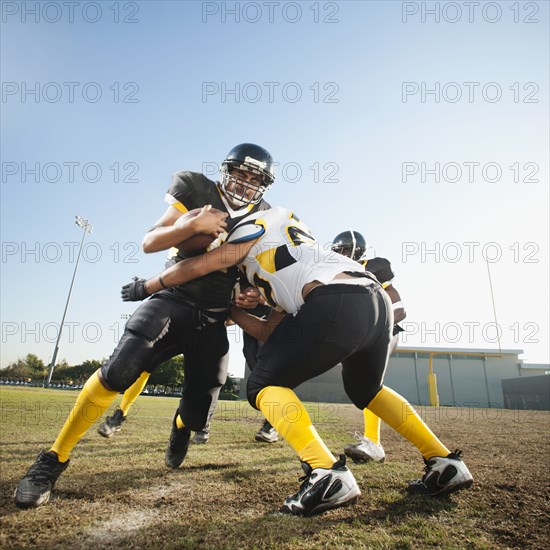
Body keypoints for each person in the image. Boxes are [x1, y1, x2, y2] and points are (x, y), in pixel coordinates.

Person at [121, 206, 473, 516]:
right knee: (366, 389)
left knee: (261, 385)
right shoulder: (275, 266)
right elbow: (271, 333)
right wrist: (230, 310)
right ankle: (443, 461)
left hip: (337, 298)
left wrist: (147, 287)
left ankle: (325, 472)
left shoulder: (250, 226)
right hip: (369, 302)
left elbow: (209, 262)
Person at [14, 143, 275, 508]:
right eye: (240, 173)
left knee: (199, 415)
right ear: (226, 170)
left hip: (215, 316)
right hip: (174, 298)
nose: (245, 183)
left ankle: (181, 428)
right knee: (119, 370)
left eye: (254, 178)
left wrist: (250, 294)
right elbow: (150, 241)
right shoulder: (197, 187)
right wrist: (192, 224)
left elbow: (259, 274)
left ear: (264, 185)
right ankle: (54, 457)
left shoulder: (267, 216)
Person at [331, 231, 406, 464]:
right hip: (359, 335)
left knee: (369, 385)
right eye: (338, 250)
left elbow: (401, 309)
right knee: (363, 387)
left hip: (384, 330)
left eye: (344, 250)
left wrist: (373, 325)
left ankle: (373, 442)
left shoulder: (374, 267)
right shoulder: (334, 272)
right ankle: (373, 442)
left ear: (357, 250)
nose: (339, 254)